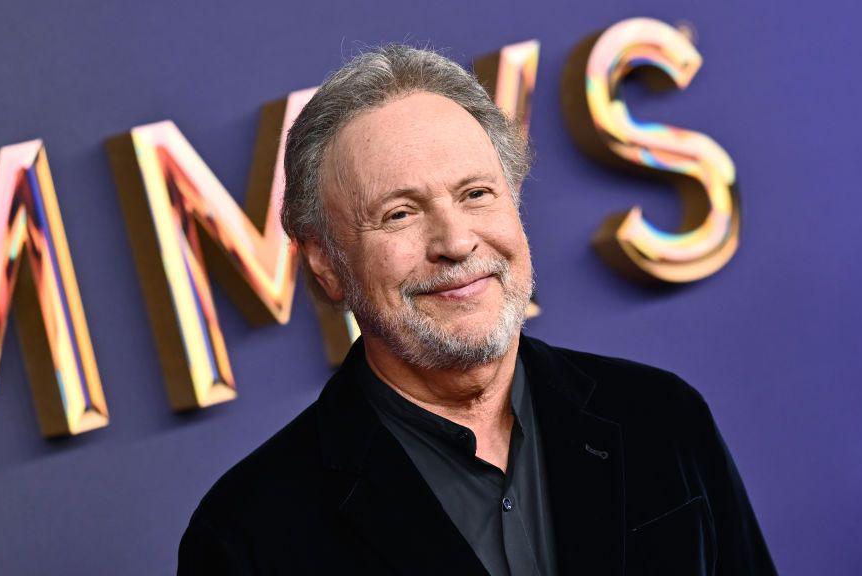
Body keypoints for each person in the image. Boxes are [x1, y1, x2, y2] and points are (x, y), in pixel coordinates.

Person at [177, 44, 777, 575]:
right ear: (326, 265)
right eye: (400, 213)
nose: (456, 242)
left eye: (476, 194)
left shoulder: (663, 421)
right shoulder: (248, 537)